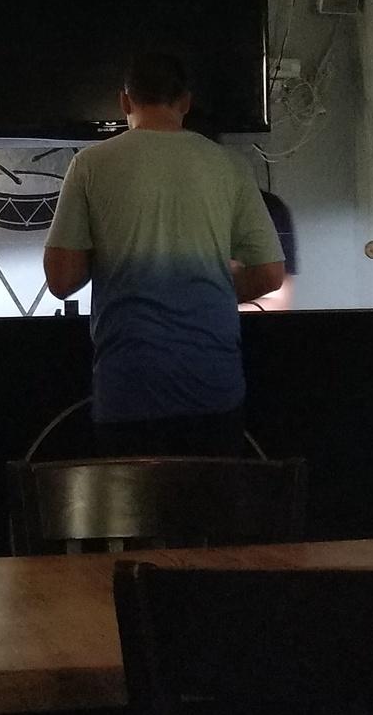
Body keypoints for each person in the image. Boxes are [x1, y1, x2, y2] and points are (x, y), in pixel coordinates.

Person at [43, 52, 285, 457]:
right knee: (210, 498)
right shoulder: (229, 165)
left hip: (127, 390)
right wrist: (209, 288)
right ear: (185, 102)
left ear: (124, 101)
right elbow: (269, 273)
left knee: (134, 499)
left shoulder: (89, 165)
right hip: (214, 389)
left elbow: (61, 281)